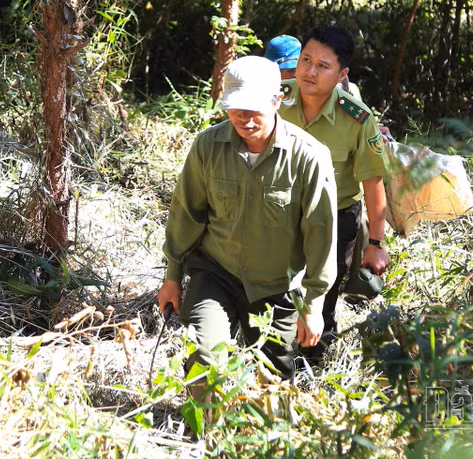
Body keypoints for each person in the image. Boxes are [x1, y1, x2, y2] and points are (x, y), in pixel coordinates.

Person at [157, 55, 340, 384]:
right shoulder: (208, 146)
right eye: (235, 107)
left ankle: (254, 433)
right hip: (216, 272)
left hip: (278, 286)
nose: (244, 118)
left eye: (254, 107)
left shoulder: (309, 157)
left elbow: (321, 235)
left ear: (277, 100)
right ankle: (206, 432)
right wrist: (172, 275)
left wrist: (313, 303)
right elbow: (186, 212)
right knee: (202, 359)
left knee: (271, 381)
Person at [279, 25, 390, 333]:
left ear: (343, 74)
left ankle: (313, 355)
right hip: (281, 208)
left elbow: (372, 181)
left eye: (323, 66)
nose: (309, 71)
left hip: (335, 216)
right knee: (276, 286)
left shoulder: (357, 118)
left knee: (324, 291)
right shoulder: (276, 99)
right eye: (305, 60)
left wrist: (377, 243)